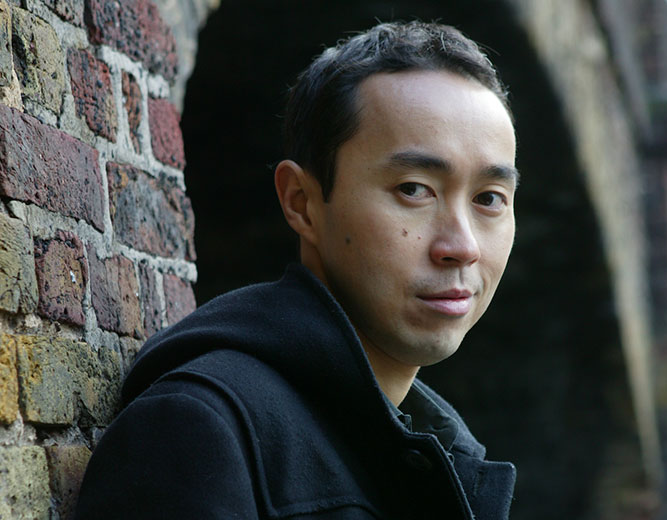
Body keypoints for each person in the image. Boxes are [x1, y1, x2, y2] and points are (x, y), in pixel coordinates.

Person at [75, 20, 518, 519]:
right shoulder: (200, 430)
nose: (461, 246)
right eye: (413, 189)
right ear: (302, 203)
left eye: (489, 199)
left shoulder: (443, 456)